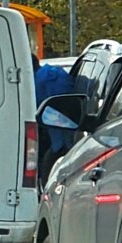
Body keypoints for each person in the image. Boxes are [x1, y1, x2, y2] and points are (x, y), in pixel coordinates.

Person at [34, 54, 77, 184]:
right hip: (74, 120)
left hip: (56, 127)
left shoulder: (36, 81)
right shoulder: (56, 72)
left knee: (54, 154)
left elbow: (34, 109)